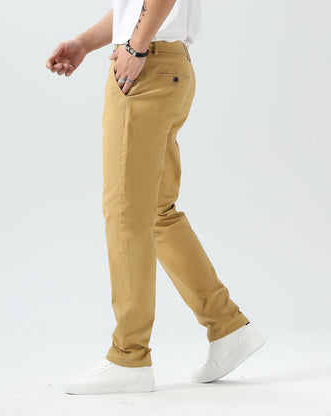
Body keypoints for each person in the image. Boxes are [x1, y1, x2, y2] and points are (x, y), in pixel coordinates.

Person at [45, 0, 265, 395]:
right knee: (158, 213)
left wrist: (135, 46)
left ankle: (129, 357)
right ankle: (227, 326)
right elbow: (134, 7)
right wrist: (85, 42)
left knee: (126, 213)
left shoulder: (140, 49)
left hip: (145, 67)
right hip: (168, 64)